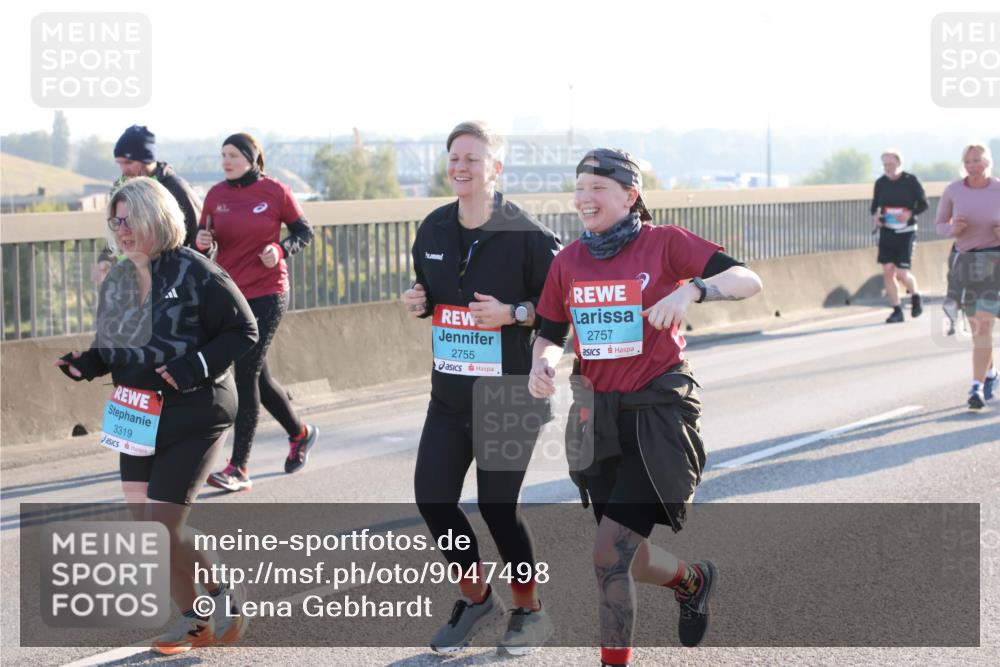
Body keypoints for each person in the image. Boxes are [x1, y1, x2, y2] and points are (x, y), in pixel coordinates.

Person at [528, 148, 763, 667]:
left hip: (657, 412)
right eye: (580, 189)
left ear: (630, 196)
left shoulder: (665, 243)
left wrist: (695, 291)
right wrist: (541, 363)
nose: (584, 199)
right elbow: (549, 332)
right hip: (596, 415)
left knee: (608, 554)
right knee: (624, 558)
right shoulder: (568, 261)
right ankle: (692, 580)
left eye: (598, 189)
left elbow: (749, 280)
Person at [54, 178, 258, 654]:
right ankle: (195, 622)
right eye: (115, 220)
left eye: (129, 219)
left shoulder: (197, 271)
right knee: (149, 530)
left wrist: (192, 366)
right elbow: (112, 345)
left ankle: (224, 590)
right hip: (136, 412)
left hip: (195, 410)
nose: (120, 229)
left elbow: (242, 330)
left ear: (156, 218)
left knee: (164, 523)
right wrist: (87, 364)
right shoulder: (120, 277)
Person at [402, 121, 562, 655]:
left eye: (473, 158)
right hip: (449, 396)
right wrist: (421, 301)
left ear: (496, 168)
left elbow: (561, 309)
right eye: (454, 157)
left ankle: (529, 609)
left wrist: (514, 313)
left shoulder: (529, 236)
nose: (460, 167)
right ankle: (476, 598)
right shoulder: (432, 229)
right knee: (433, 499)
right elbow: (435, 293)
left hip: (509, 395)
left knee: (497, 508)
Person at [196, 133, 319, 491]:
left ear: (252, 158)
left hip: (269, 293)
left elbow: (303, 231)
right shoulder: (216, 196)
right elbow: (203, 242)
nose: (226, 161)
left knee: (246, 372)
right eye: (222, 155)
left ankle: (239, 467)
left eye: (233, 155)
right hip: (232, 295)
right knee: (259, 378)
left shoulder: (275, 192)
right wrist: (203, 243)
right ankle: (300, 433)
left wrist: (281, 251)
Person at [935, 143, 1000, 409]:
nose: (973, 165)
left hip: (994, 261)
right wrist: (954, 229)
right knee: (977, 331)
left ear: (988, 162)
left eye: (978, 160)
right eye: (968, 161)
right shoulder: (953, 190)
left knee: (984, 325)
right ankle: (991, 373)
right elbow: (939, 226)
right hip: (965, 263)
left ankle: (976, 389)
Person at [96, 126, 205, 284]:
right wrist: (105, 257)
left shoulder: (177, 188)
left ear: (147, 158)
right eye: (119, 163)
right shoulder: (120, 188)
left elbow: (197, 235)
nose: (124, 170)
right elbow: (118, 228)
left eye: (128, 162)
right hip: (131, 277)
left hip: (169, 277)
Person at [870, 149, 928, 323]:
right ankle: (897, 310)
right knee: (888, 271)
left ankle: (916, 295)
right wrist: (875, 217)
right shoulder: (880, 183)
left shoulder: (911, 181)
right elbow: (874, 205)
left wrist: (910, 213)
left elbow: (924, 204)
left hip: (906, 232)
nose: (887, 167)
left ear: (899, 163)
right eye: (885, 164)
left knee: (902, 274)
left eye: (890, 164)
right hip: (887, 232)